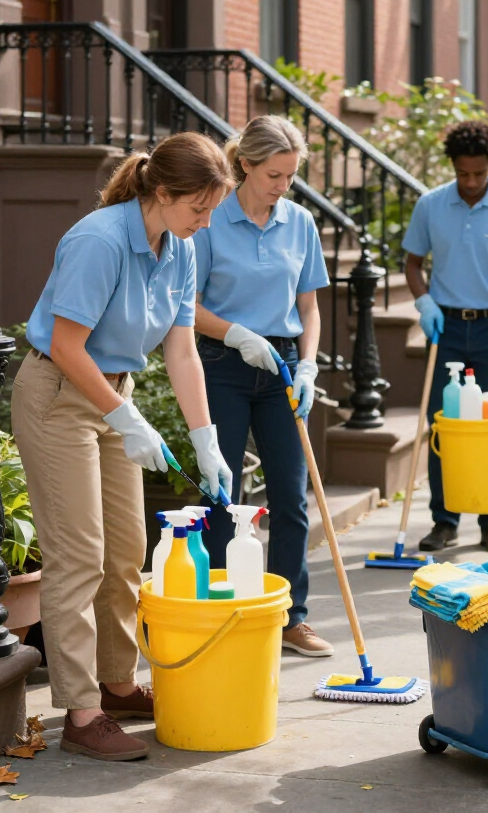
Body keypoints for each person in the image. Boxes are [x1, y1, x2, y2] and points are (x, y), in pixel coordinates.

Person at [12, 133, 237, 761]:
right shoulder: (99, 240)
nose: (207, 220)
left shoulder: (179, 246)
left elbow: (183, 349)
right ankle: (81, 714)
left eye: (213, 209)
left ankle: (115, 685)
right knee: (79, 554)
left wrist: (204, 439)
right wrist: (129, 420)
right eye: (199, 207)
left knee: (126, 550)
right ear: (161, 194)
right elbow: (65, 346)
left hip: (115, 394)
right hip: (61, 394)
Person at [194, 115, 334, 657]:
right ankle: (219, 611)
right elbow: (189, 309)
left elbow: (310, 306)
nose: (282, 186)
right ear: (245, 165)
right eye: (274, 174)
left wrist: (309, 364)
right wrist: (235, 334)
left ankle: (290, 617)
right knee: (221, 495)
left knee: (291, 498)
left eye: (291, 176)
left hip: (282, 367)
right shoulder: (209, 221)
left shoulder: (299, 223)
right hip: (221, 361)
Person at [403, 120, 488, 554]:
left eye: (479, 173)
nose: (471, 182)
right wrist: (424, 303)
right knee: (445, 426)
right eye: (463, 173)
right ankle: (444, 522)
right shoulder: (431, 205)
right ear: (453, 167)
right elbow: (411, 263)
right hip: (445, 326)